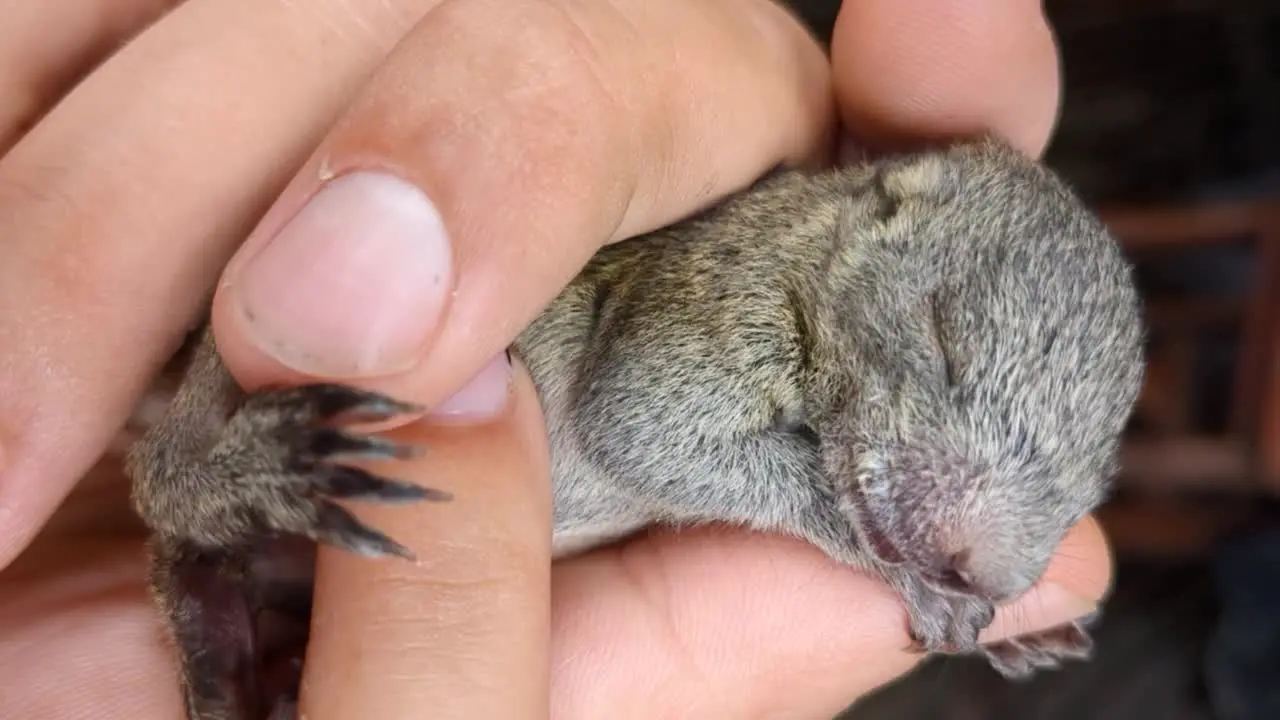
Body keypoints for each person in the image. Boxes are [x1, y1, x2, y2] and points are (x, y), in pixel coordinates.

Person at [0, 0, 1108, 717]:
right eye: (945, 361)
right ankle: (195, 493)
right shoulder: (764, 278)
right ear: (885, 211)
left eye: (1068, 485)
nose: (985, 549)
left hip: (349, 543)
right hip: (287, 414)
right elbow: (640, 426)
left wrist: (933, 574)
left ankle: (236, 607)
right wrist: (871, 549)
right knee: (268, 366)